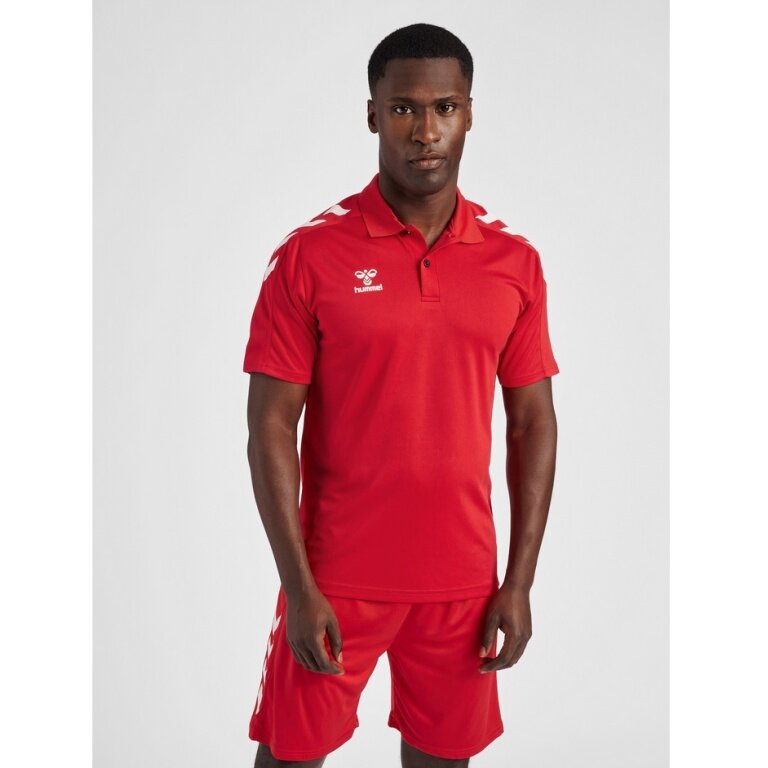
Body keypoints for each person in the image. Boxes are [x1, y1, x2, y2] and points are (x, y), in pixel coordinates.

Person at [242, 22, 560, 768]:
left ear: (469, 113)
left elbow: (533, 424)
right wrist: (297, 586)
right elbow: (270, 427)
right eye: (403, 108)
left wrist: (518, 582)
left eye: (444, 107)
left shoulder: (513, 262)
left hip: (462, 584)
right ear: (372, 115)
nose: (425, 130)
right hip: (335, 578)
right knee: (289, 757)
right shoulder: (310, 256)